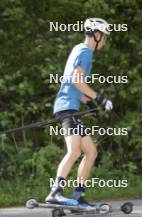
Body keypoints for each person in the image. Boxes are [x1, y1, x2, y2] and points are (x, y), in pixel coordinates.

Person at [45, 18, 113, 207]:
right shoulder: (86, 53)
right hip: (67, 107)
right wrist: (100, 99)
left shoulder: (77, 49)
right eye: (105, 37)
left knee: (91, 151)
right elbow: (77, 81)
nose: (105, 42)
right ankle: (55, 192)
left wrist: (88, 102)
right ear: (97, 35)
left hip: (70, 105)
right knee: (74, 150)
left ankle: (77, 196)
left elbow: (71, 84)